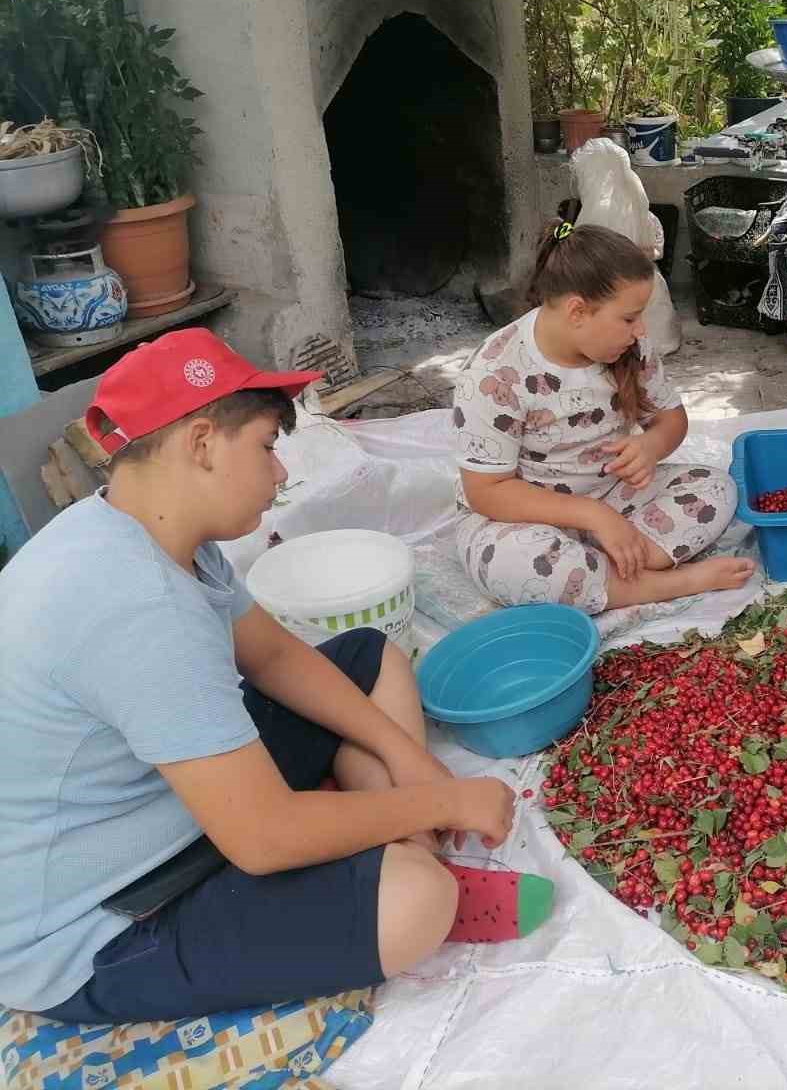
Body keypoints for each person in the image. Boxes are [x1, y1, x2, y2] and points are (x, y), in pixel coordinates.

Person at [0, 330, 521, 1024]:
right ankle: (400, 863)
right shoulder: (137, 609)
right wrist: (444, 802)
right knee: (415, 902)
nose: (279, 474)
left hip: (165, 803)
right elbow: (264, 836)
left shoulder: (144, 531)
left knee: (370, 657)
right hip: (89, 925)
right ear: (202, 443)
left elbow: (274, 657)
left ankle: (386, 845)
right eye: (268, 446)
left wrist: (408, 759)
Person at [453, 221, 754, 613]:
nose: (640, 329)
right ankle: (669, 582)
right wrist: (593, 516)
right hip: (525, 518)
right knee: (517, 564)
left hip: (614, 497)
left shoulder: (630, 347)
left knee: (717, 488)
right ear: (578, 311)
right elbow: (486, 491)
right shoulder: (494, 374)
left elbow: (671, 419)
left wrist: (651, 446)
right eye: (629, 318)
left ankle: (608, 570)